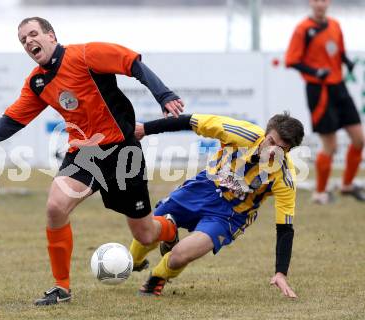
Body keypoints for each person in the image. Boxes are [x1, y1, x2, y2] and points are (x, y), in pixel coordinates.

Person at [0, 17, 184, 305]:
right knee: (55, 207)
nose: (28, 41)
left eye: (33, 34)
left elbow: (133, 63)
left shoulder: (85, 55)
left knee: (146, 234)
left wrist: (164, 94)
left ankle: (169, 228)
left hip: (123, 152)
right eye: (23, 40)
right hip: (85, 153)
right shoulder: (37, 81)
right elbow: (16, 116)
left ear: (50, 36)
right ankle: (61, 288)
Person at [129, 112, 304, 298]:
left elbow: (285, 228)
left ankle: (156, 279)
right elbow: (190, 121)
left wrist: (280, 273)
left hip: (230, 214)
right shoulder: (241, 133)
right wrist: (145, 129)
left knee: (180, 255)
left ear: (288, 151)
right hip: (203, 187)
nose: (272, 151)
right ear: (265, 134)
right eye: (271, 142)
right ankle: (138, 258)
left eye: (281, 149)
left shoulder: (284, 177)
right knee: (147, 230)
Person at [285, 0, 365, 204]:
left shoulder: (335, 25)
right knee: (331, 144)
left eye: (324, 0)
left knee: (359, 138)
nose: (320, 4)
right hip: (318, 90)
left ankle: (346, 185)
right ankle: (319, 193)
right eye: (316, 0)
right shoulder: (303, 29)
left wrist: (346, 61)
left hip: (339, 86)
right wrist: (315, 72)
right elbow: (291, 60)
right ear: (311, 3)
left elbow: (339, 51)